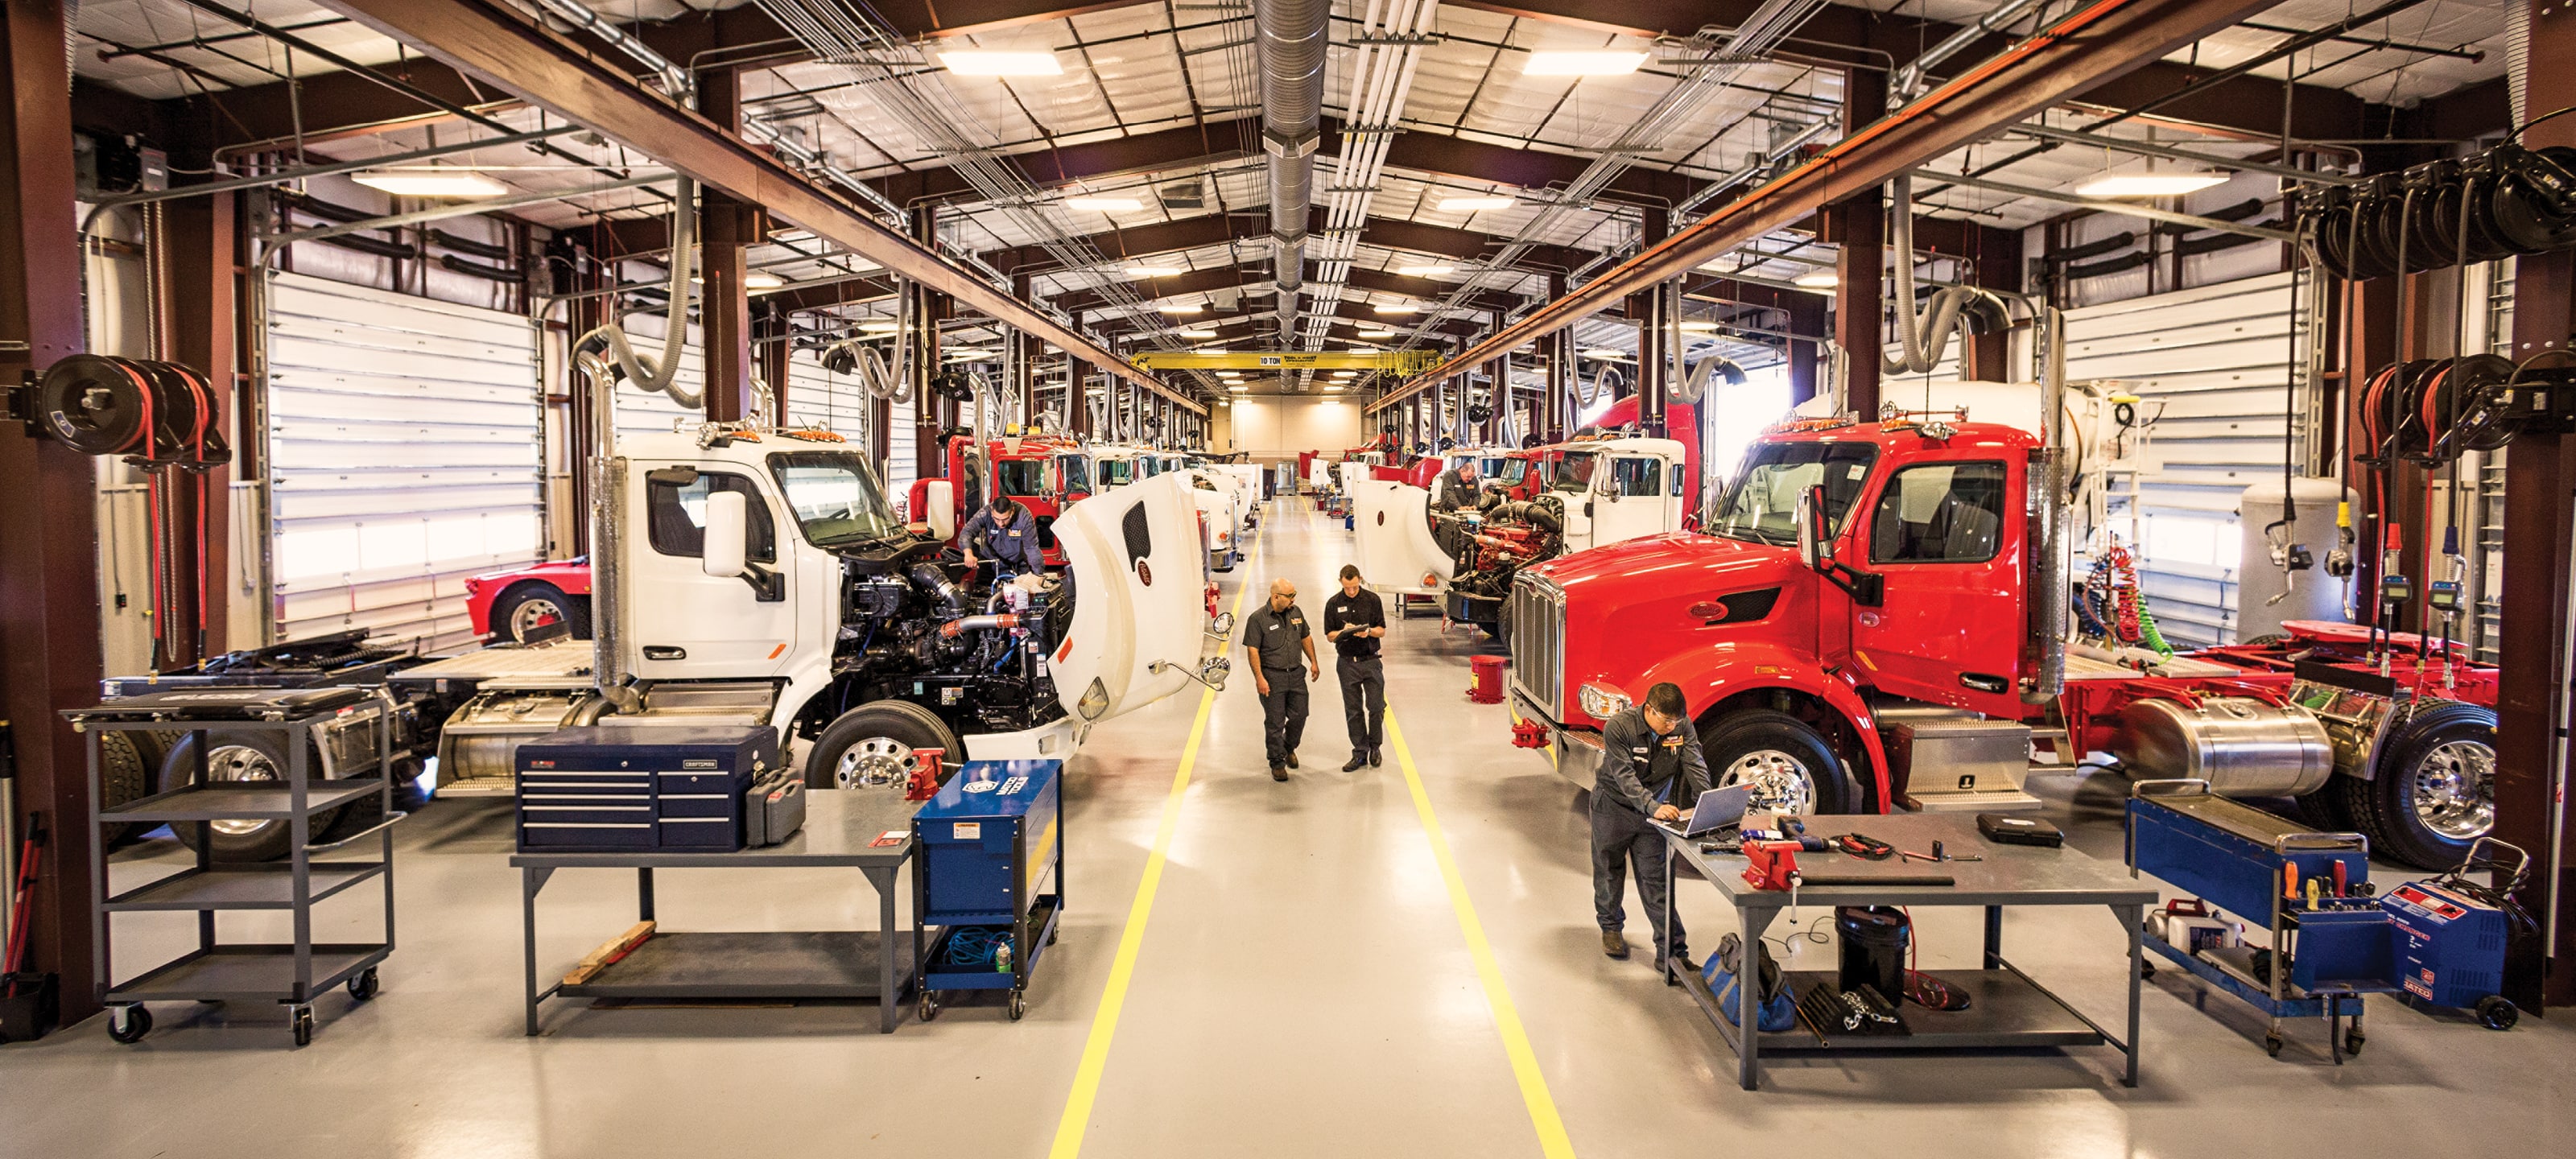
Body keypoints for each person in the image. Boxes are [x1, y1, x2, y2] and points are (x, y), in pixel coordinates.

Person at [1591, 682, 1709, 971]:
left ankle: (1671, 954)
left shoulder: (1682, 728)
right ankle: (1611, 928)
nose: (1672, 727)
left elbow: (1694, 763)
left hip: (1652, 817)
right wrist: (1653, 806)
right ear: (1648, 710)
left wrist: (1706, 804)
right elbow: (1624, 776)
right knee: (1609, 870)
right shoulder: (1619, 728)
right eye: (1667, 720)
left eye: (1677, 721)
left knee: (1657, 881)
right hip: (1614, 807)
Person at [1242, 578, 1319, 781]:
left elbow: (1306, 637)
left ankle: (1288, 747)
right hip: (1272, 677)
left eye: (1295, 594)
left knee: (1300, 715)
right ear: (1276, 597)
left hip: (1296, 675)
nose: (1294, 599)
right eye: (1290, 595)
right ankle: (1277, 761)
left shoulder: (1296, 613)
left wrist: (1313, 661)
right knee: (1275, 722)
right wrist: (1259, 677)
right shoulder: (1257, 619)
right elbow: (1253, 650)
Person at [1322, 564, 1387, 771]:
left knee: (1376, 707)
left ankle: (1375, 747)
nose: (1351, 591)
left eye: (1355, 586)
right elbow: (1329, 636)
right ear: (1340, 581)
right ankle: (1360, 752)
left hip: (1371, 660)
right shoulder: (1333, 604)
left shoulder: (1372, 600)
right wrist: (1343, 632)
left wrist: (1367, 632)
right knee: (1353, 710)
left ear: (1360, 579)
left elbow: (1382, 631)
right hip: (1347, 663)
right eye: (1347, 587)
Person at [960, 493, 1045, 575]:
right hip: (990, 561)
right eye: (996, 519)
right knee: (980, 588)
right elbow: (967, 532)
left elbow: (1031, 548)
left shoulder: (1024, 517)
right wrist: (968, 554)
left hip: (1017, 564)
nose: (1001, 524)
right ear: (992, 512)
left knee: (1022, 588)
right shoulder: (985, 513)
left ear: (1013, 511)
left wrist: (1038, 575)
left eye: (1005, 519)